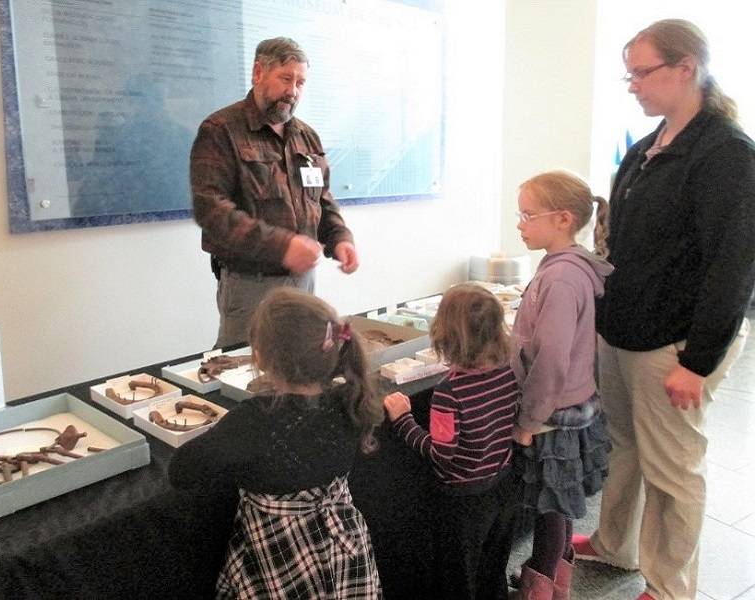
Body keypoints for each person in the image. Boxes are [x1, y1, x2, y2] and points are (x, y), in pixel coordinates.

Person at [570, 19, 755, 600]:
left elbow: (734, 266)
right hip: (626, 330)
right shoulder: (648, 147)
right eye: (629, 73)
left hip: (674, 343)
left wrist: (696, 362)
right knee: (624, 446)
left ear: (685, 69)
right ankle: (614, 545)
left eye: (641, 72)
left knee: (673, 469)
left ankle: (671, 586)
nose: (632, 85)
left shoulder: (726, 154)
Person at [169, 287, 383, 599]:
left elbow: (181, 470)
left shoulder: (253, 420)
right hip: (344, 551)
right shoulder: (350, 400)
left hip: (277, 560)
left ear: (259, 357)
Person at [190, 37, 359, 349]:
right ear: (258, 73)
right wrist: (283, 246)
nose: (292, 91)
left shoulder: (307, 137)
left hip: (303, 281)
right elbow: (210, 209)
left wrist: (340, 237)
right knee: (245, 375)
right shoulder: (220, 130)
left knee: (299, 365)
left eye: (300, 82)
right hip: (249, 285)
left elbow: (322, 198)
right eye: (285, 78)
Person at [509, 170, 613, 600]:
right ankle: (555, 579)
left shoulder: (561, 278)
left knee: (550, 507)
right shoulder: (567, 268)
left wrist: (528, 419)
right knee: (562, 499)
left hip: (552, 412)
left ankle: (539, 585)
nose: (520, 223)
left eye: (528, 215)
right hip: (570, 402)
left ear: (563, 219)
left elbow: (551, 358)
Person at [383, 283, 522, 600]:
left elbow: (441, 454)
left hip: (463, 499)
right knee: (492, 566)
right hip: (502, 486)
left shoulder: (449, 392)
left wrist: (403, 419)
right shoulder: (508, 371)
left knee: (457, 575)